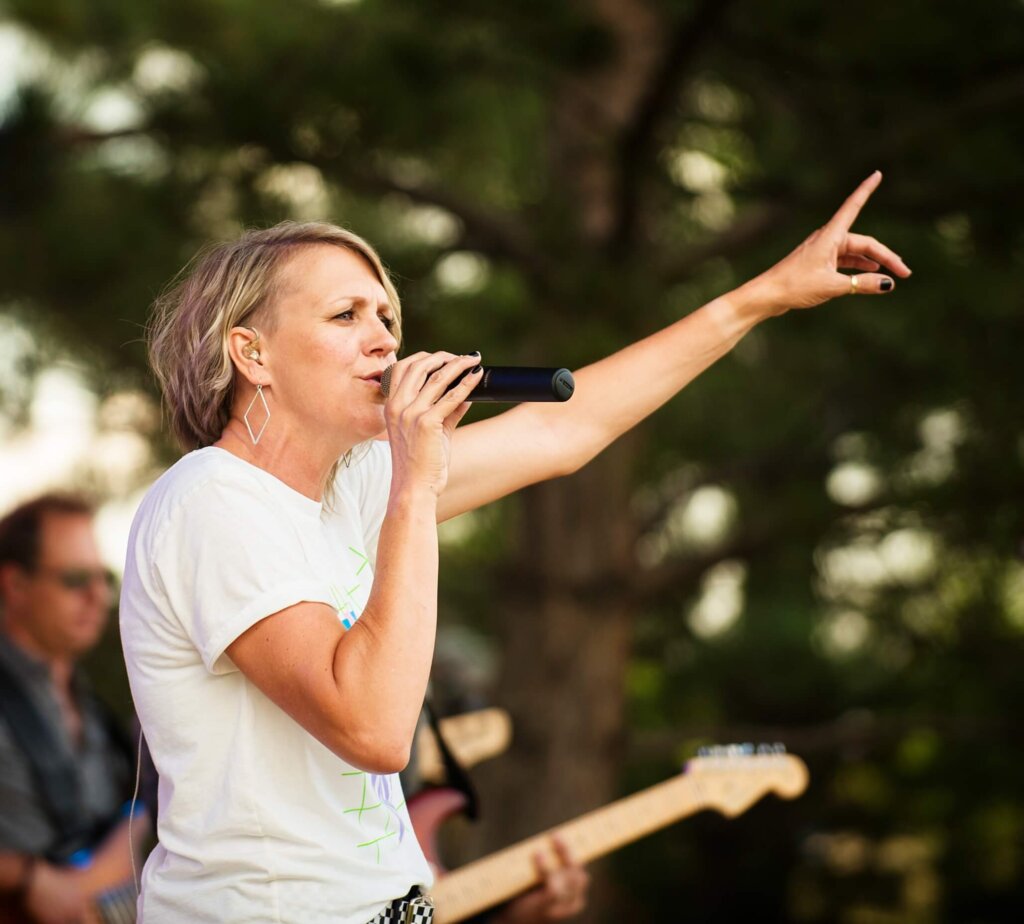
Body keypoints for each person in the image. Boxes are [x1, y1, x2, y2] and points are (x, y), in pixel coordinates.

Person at [120, 171, 910, 923]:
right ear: (251, 353)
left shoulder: (350, 488)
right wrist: (414, 487)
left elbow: (565, 429)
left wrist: (762, 298)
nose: (384, 342)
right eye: (345, 316)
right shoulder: (213, 502)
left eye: (387, 317)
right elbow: (374, 730)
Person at [0, 495, 144, 924]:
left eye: (103, 579)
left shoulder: (88, 700)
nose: (97, 596)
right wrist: (26, 878)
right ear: (15, 585)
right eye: (75, 579)